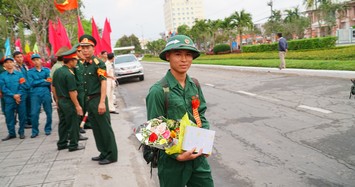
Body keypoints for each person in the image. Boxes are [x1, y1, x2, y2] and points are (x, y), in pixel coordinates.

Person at [145, 35, 214, 187]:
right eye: (178, 54)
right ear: (168, 56)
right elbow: (154, 128)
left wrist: (205, 141)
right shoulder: (158, 91)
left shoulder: (194, 84)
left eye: (188, 54)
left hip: (197, 157)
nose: (184, 59)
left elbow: (200, 114)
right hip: (172, 162)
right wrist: (178, 156)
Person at [79, 34, 118, 165]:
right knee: (96, 129)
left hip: (98, 99)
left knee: (105, 128)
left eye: (87, 47)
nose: (85, 50)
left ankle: (111, 155)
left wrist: (102, 102)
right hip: (89, 101)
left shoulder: (99, 64)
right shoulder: (84, 65)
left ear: (93, 48)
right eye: (82, 48)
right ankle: (103, 152)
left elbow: (103, 83)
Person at [52, 47, 84, 152]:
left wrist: (57, 100)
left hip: (61, 100)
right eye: (75, 60)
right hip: (69, 101)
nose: (76, 62)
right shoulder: (69, 74)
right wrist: (77, 106)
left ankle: (62, 143)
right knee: (73, 123)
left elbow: (53, 87)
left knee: (63, 123)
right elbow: (72, 92)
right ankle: (73, 145)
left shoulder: (57, 71)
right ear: (71, 61)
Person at [0, 57, 29, 140]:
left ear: (13, 63)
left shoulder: (20, 74)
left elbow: (23, 84)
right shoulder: (2, 76)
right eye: (7, 62)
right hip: (9, 99)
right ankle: (11, 133)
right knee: (9, 117)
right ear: (4, 65)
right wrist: (13, 95)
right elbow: (3, 88)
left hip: (20, 98)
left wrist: (18, 94)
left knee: (22, 116)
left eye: (10, 62)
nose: (9, 64)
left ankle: (21, 132)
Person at [27, 54, 52, 138]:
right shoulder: (30, 72)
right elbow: (31, 83)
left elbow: (49, 81)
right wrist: (42, 80)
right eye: (34, 60)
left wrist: (38, 81)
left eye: (37, 59)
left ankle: (48, 128)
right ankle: (35, 131)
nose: (36, 61)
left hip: (45, 92)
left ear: (41, 60)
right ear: (32, 62)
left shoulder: (47, 70)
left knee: (48, 111)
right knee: (34, 113)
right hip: (35, 93)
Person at [73, 43, 89, 139]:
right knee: (79, 108)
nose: (82, 52)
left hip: (84, 88)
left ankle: (82, 124)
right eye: (80, 51)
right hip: (78, 89)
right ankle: (78, 127)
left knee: (84, 107)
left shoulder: (81, 64)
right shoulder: (75, 64)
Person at [13, 51, 32, 129]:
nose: (20, 58)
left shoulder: (24, 66)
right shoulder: (14, 67)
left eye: (21, 56)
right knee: (22, 108)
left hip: (28, 89)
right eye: (18, 57)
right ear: (14, 58)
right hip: (21, 90)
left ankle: (29, 121)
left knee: (29, 106)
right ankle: (23, 123)